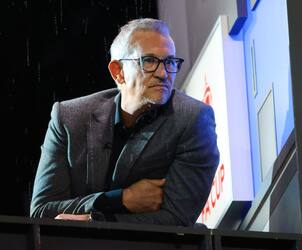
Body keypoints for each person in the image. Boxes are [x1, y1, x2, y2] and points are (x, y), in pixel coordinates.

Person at [30, 18, 219, 226]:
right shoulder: (68, 118)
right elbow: (41, 213)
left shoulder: (193, 119)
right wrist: (121, 199)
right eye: (149, 61)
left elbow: (177, 218)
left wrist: (96, 219)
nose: (163, 73)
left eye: (170, 62)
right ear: (118, 72)